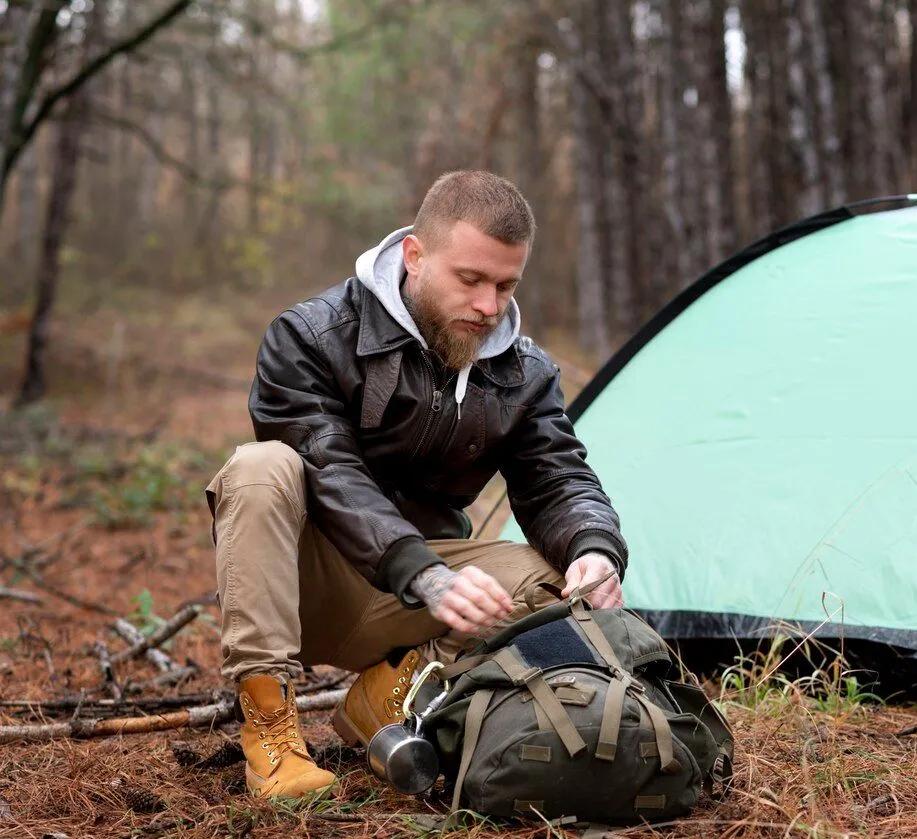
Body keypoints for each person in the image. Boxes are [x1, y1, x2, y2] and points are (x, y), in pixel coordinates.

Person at [204, 170, 627, 798]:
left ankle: (394, 698)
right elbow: (329, 468)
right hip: (305, 586)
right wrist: (424, 573)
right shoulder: (310, 337)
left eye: (506, 286)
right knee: (260, 468)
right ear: (415, 256)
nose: (489, 306)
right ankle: (270, 730)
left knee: (552, 580)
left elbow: (557, 475)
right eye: (471, 280)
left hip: (424, 601)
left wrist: (594, 548)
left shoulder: (526, 371)